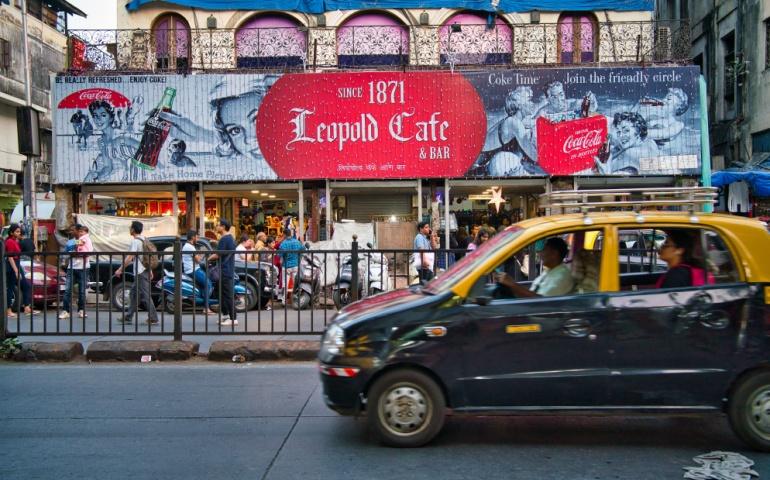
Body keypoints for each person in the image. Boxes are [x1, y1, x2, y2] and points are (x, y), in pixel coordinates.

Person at [83, 99, 141, 183]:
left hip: (140, 173)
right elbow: (108, 167)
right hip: (124, 178)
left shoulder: (120, 134)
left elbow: (143, 148)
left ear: (110, 118)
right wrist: (97, 175)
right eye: (95, 115)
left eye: (103, 115)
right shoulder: (101, 141)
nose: (98, 119)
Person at [496, 237, 574, 297]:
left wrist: (512, 284)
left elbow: (541, 302)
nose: (540, 253)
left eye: (544, 250)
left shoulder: (561, 277)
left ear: (554, 254)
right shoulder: (550, 271)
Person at [115, 220, 158, 325]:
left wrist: (120, 269)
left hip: (140, 272)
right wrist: (150, 270)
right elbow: (147, 257)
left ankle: (153, 317)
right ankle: (128, 316)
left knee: (146, 295)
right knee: (133, 294)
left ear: (133, 229)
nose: (130, 229)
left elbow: (130, 257)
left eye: (131, 227)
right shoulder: (144, 239)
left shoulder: (135, 241)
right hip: (144, 270)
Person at [594, 112, 659, 175]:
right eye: (619, 132)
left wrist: (604, 174)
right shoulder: (649, 142)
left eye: (626, 130)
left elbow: (614, 179)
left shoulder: (630, 153)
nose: (621, 136)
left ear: (638, 130)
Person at [60, 224, 93, 319]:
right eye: (70, 230)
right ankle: (65, 311)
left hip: (83, 268)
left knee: (82, 291)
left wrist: (76, 253)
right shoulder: (71, 241)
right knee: (67, 290)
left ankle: (81, 310)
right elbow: (68, 252)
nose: (71, 232)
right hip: (72, 268)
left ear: (78, 231)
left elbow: (89, 251)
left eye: (73, 230)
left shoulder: (86, 240)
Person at [5, 223, 36, 317]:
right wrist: (16, 270)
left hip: (17, 265)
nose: (19, 233)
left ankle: (27, 307)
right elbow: (10, 257)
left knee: (26, 285)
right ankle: (8, 310)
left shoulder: (15, 241)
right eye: (17, 231)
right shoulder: (10, 241)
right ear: (11, 232)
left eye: (19, 231)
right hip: (11, 266)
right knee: (10, 288)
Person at [210, 219, 237, 326]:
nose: (216, 227)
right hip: (226, 269)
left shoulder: (225, 239)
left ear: (223, 227)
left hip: (225, 270)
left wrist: (207, 258)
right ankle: (226, 315)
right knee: (221, 294)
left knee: (227, 294)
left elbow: (218, 254)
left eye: (218, 225)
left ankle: (233, 318)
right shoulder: (228, 238)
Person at [182, 229, 213, 314]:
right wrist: (200, 256)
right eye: (197, 236)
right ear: (193, 237)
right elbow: (198, 260)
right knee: (208, 284)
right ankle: (206, 308)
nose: (198, 238)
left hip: (192, 269)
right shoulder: (190, 247)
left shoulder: (187, 246)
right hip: (193, 270)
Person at [278, 228, 304, 304]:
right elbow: (303, 250)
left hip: (286, 266)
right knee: (296, 284)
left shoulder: (283, 244)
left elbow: (281, 256)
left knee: (285, 284)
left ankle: (283, 301)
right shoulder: (297, 242)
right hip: (295, 265)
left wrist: (281, 262)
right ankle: (298, 299)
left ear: (285, 235)